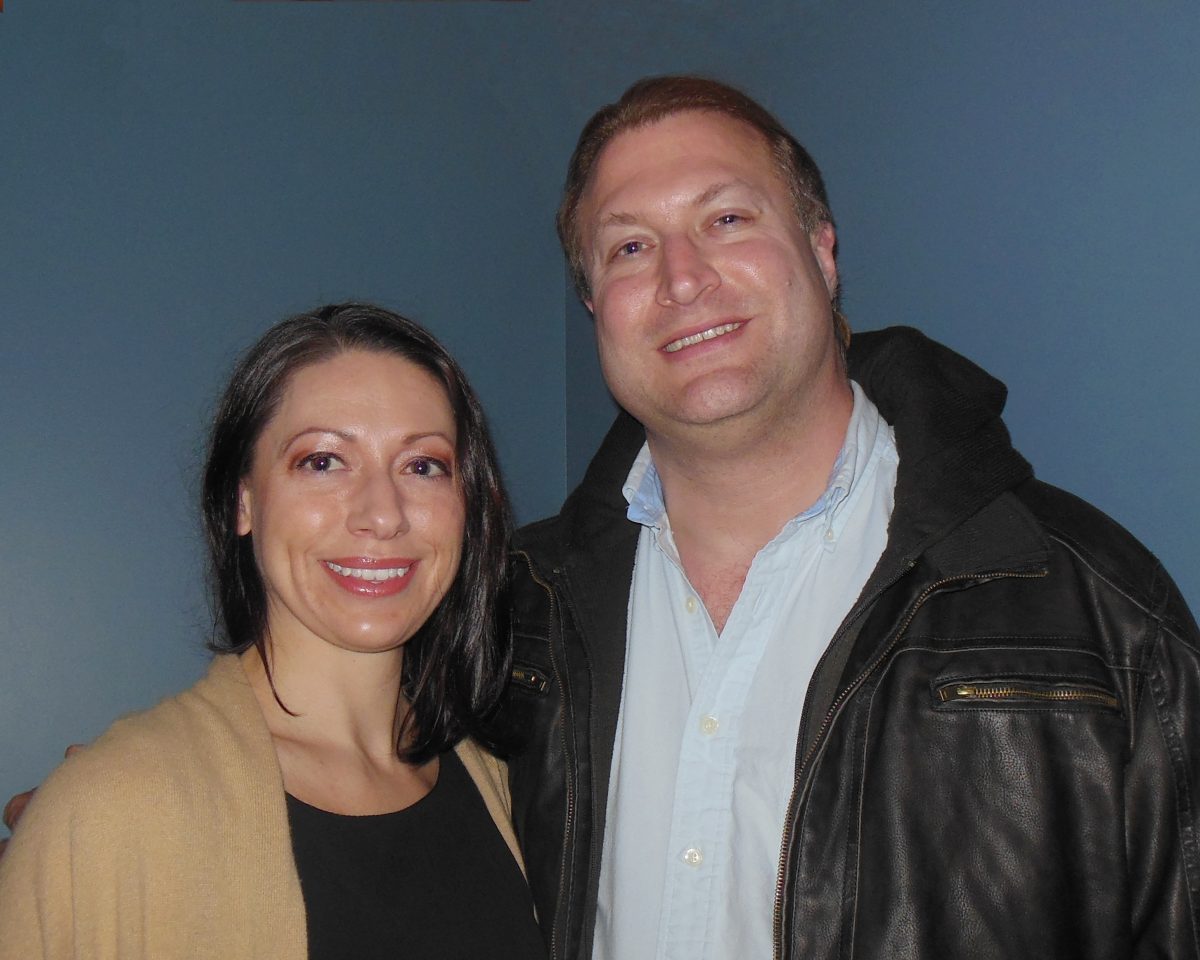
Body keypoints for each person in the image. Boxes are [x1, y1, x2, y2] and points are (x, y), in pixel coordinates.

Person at [500, 76, 1200, 960]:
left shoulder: (1099, 612)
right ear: (598, 307)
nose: (682, 278)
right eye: (630, 247)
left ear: (823, 253)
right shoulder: (509, 611)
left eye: (727, 220)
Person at [0, 303, 547, 960]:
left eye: (422, 465)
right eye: (322, 461)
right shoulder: (113, 809)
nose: (383, 514)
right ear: (243, 502)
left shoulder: (504, 783)